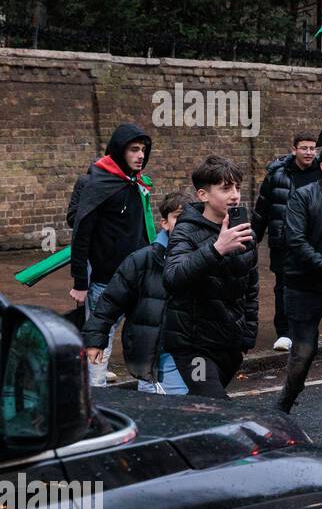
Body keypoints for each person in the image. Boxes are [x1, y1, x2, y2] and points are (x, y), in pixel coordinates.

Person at [163, 156, 259, 397]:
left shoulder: (244, 231)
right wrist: (217, 248)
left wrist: (247, 334)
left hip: (229, 344)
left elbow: (251, 287)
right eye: (226, 188)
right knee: (218, 407)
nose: (235, 195)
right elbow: (173, 277)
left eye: (237, 186)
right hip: (193, 345)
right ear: (203, 195)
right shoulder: (186, 230)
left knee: (200, 408)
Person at [68, 122, 154, 386]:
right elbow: (81, 233)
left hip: (137, 278)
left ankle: (150, 393)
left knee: (146, 336)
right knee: (99, 338)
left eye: (143, 150)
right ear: (119, 150)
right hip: (105, 280)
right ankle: (95, 400)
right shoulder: (97, 182)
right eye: (133, 150)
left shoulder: (137, 184)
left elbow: (142, 229)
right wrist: (80, 283)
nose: (140, 155)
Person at [83, 191, 192, 395]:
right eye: (178, 217)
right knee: (157, 411)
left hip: (191, 354)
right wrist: (95, 339)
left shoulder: (204, 256)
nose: (185, 224)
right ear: (165, 223)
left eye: (190, 218)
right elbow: (111, 301)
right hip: (153, 356)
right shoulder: (143, 260)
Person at [277, 141, 322, 416]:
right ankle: (282, 408)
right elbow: (294, 239)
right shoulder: (303, 196)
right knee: (303, 353)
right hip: (303, 286)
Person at [253, 133, 319, 351]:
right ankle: (284, 333)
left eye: (312, 148)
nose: (309, 152)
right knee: (283, 287)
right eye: (304, 148)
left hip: (313, 241)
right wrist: (253, 238)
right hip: (284, 241)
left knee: (313, 286)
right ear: (294, 150)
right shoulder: (277, 175)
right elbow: (262, 209)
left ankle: (307, 330)